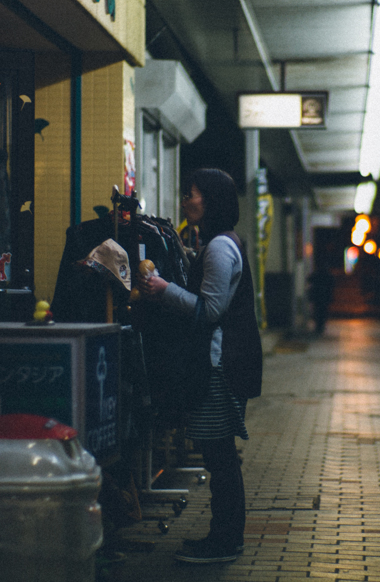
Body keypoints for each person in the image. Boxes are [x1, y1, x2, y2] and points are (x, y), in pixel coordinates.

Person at [138, 168, 263, 564]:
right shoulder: (216, 245)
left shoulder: (221, 248)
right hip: (224, 362)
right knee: (218, 455)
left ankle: (225, 542)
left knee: (219, 455)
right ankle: (223, 536)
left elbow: (209, 310)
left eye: (191, 194)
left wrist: (164, 290)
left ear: (209, 201)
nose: (185, 200)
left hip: (220, 364)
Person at [307, 265, 334, 334]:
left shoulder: (317, 274)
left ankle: (318, 325)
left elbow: (309, 279)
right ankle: (321, 325)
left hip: (317, 296)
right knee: (323, 311)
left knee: (318, 311)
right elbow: (332, 284)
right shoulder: (328, 275)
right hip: (324, 296)